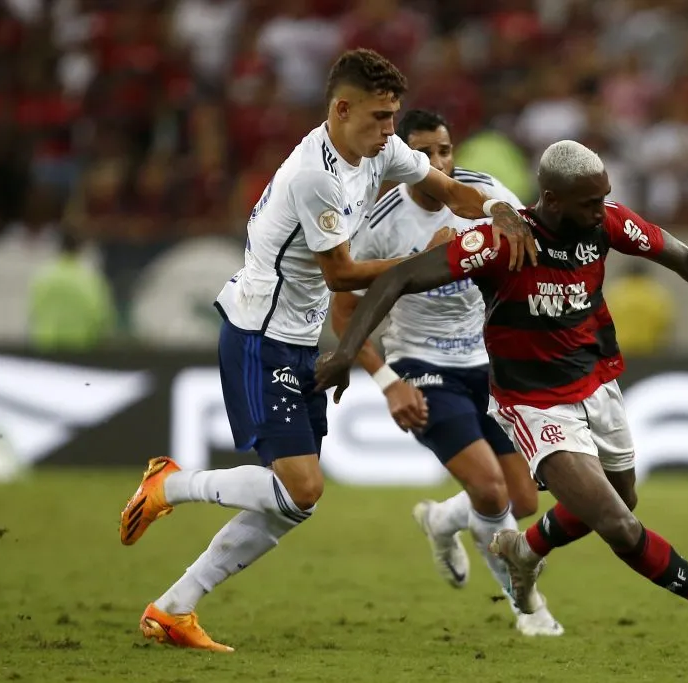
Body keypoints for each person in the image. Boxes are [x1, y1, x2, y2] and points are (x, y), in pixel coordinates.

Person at [316, 140, 688, 659]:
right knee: (619, 525)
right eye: (588, 201)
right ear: (552, 200)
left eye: (604, 196)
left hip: (597, 382)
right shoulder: (498, 243)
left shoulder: (605, 222)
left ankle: (526, 549)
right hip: (533, 403)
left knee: (621, 499)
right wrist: (347, 351)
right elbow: (401, 276)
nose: (600, 208)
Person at [116, 48, 536, 652]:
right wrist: (432, 262)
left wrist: (501, 212)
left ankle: (174, 608)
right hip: (260, 333)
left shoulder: (381, 149)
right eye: (379, 117)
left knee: (293, 505)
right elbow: (341, 274)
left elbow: (451, 191)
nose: (390, 129)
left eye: (393, 116)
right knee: (302, 488)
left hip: (302, 336)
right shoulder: (315, 174)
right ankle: (169, 486)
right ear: (341, 109)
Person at [332, 109, 561, 636]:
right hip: (422, 364)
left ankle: (440, 520)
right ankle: (528, 607)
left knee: (523, 499)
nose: (438, 163)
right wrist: (390, 383)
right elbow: (343, 315)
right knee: (489, 490)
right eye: (423, 155)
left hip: (488, 361)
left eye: (445, 150)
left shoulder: (484, 194)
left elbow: (531, 252)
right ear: (398, 158)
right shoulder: (378, 222)